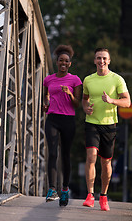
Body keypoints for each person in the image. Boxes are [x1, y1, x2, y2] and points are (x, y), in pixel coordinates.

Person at [81, 48, 131, 211]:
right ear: (94, 61)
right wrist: (85, 108)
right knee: (91, 156)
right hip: (92, 123)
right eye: (98, 58)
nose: (101, 61)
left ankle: (103, 196)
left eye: (104, 58)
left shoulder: (117, 79)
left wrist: (111, 100)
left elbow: (127, 102)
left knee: (106, 162)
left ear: (109, 61)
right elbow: (84, 99)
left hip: (109, 125)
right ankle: (90, 195)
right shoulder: (88, 79)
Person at [43, 44, 82, 206]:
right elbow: (45, 96)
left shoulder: (75, 80)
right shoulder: (48, 79)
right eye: (61, 60)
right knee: (52, 153)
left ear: (70, 64)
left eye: (66, 61)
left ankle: (65, 189)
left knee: (65, 155)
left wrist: (70, 94)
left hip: (68, 120)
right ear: (57, 61)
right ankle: (52, 189)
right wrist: (46, 103)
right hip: (52, 119)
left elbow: (77, 104)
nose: (63, 63)